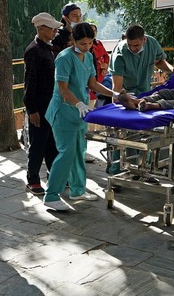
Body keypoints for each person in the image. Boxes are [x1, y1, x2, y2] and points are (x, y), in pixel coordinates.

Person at [43, 23, 119, 211]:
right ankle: (51, 195)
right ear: (73, 41)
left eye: (89, 43)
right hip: (63, 111)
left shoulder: (89, 56)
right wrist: (78, 103)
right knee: (66, 153)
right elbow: (63, 89)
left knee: (79, 151)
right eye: (82, 43)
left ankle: (78, 189)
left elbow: (92, 83)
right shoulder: (64, 58)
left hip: (80, 113)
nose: (86, 47)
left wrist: (113, 94)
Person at [23, 12, 62, 196]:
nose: (55, 31)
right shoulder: (33, 51)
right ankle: (32, 179)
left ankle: (54, 175)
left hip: (51, 103)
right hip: (39, 104)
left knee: (52, 143)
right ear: (41, 29)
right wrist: (32, 109)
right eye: (52, 28)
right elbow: (29, 83)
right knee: (38, 143)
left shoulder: (47, 48)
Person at [109, 24, 174, 96]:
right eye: (129, 45)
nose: (133, 49)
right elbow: (117, 89)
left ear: (144, 39)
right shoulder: (120, 53)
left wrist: (173, 70)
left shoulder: (152, 44)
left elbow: (159, 61)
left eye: (136, 45)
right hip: (127, 96)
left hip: (146, 93)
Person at [88, 23, 110, 105]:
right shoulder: (85, 46)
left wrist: (105, 66)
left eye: (94, 31)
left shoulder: (98, 43)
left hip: (101, 78)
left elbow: (106, 56)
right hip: (91, 80)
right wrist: (98, 64)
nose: (93, 33)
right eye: (91, 30)